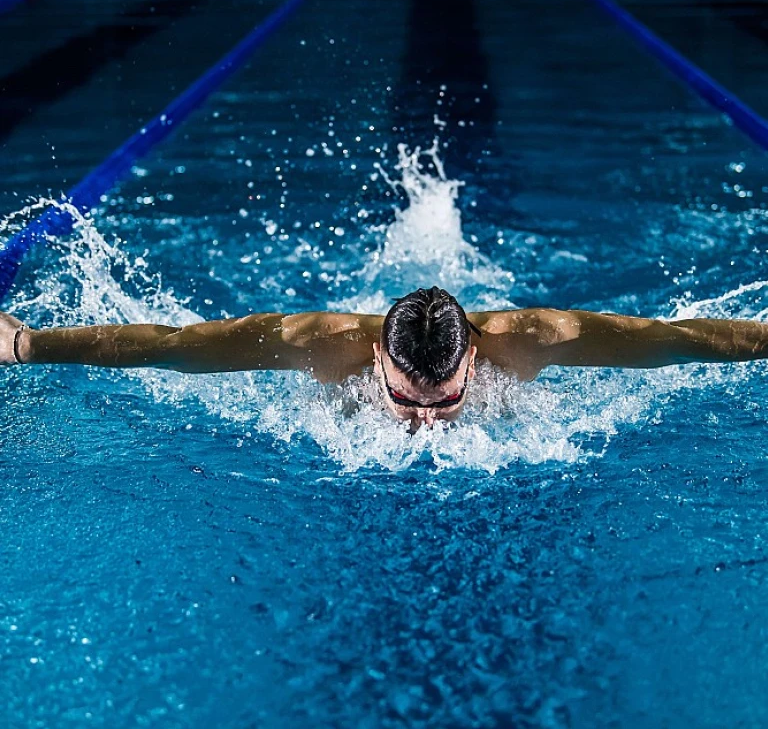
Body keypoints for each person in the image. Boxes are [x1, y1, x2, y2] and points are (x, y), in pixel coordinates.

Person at [2, 286, 768, 430]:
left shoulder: (538, 338)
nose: (426, 423)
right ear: (375, 358)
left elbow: (675, 340)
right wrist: (26, 345)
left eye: (445, 401)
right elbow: (172, 350)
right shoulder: (313, 343)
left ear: (475, 358)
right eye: (405, 402)